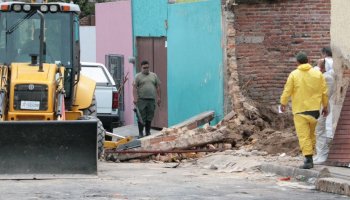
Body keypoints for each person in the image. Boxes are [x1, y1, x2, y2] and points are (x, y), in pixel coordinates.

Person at [280, 52, 328, 169]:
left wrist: (283, 103)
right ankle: (310, 155)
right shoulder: (318, 74)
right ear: (309, 60)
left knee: (304, 136)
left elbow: (287, 91)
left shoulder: (294, 74)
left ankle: (308, 160)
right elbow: (324, 92)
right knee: (311, 135)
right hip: (315, 110)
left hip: (300, 110)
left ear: (297, 62)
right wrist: (325, 106)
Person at [313, 51, 335, 164]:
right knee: (319, 131)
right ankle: (320, 153)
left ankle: (323, 155)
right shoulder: (326, 76)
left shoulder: (327, 78)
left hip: (322, 106)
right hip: (321, 105)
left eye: (319, 66)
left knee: (320, 131)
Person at [133, 60, 161, 138]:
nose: (146, 69)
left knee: (150, 116)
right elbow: (134, 88)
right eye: (144, 68)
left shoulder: (154, 75)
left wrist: (159, 97)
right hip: (141, 100)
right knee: (141, 117)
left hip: (151, 100)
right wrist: (135, 98)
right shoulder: (138, 76)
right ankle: (140, 133)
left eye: (147, 67)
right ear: (141, 68)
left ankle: (148, 132)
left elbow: (158, 87)